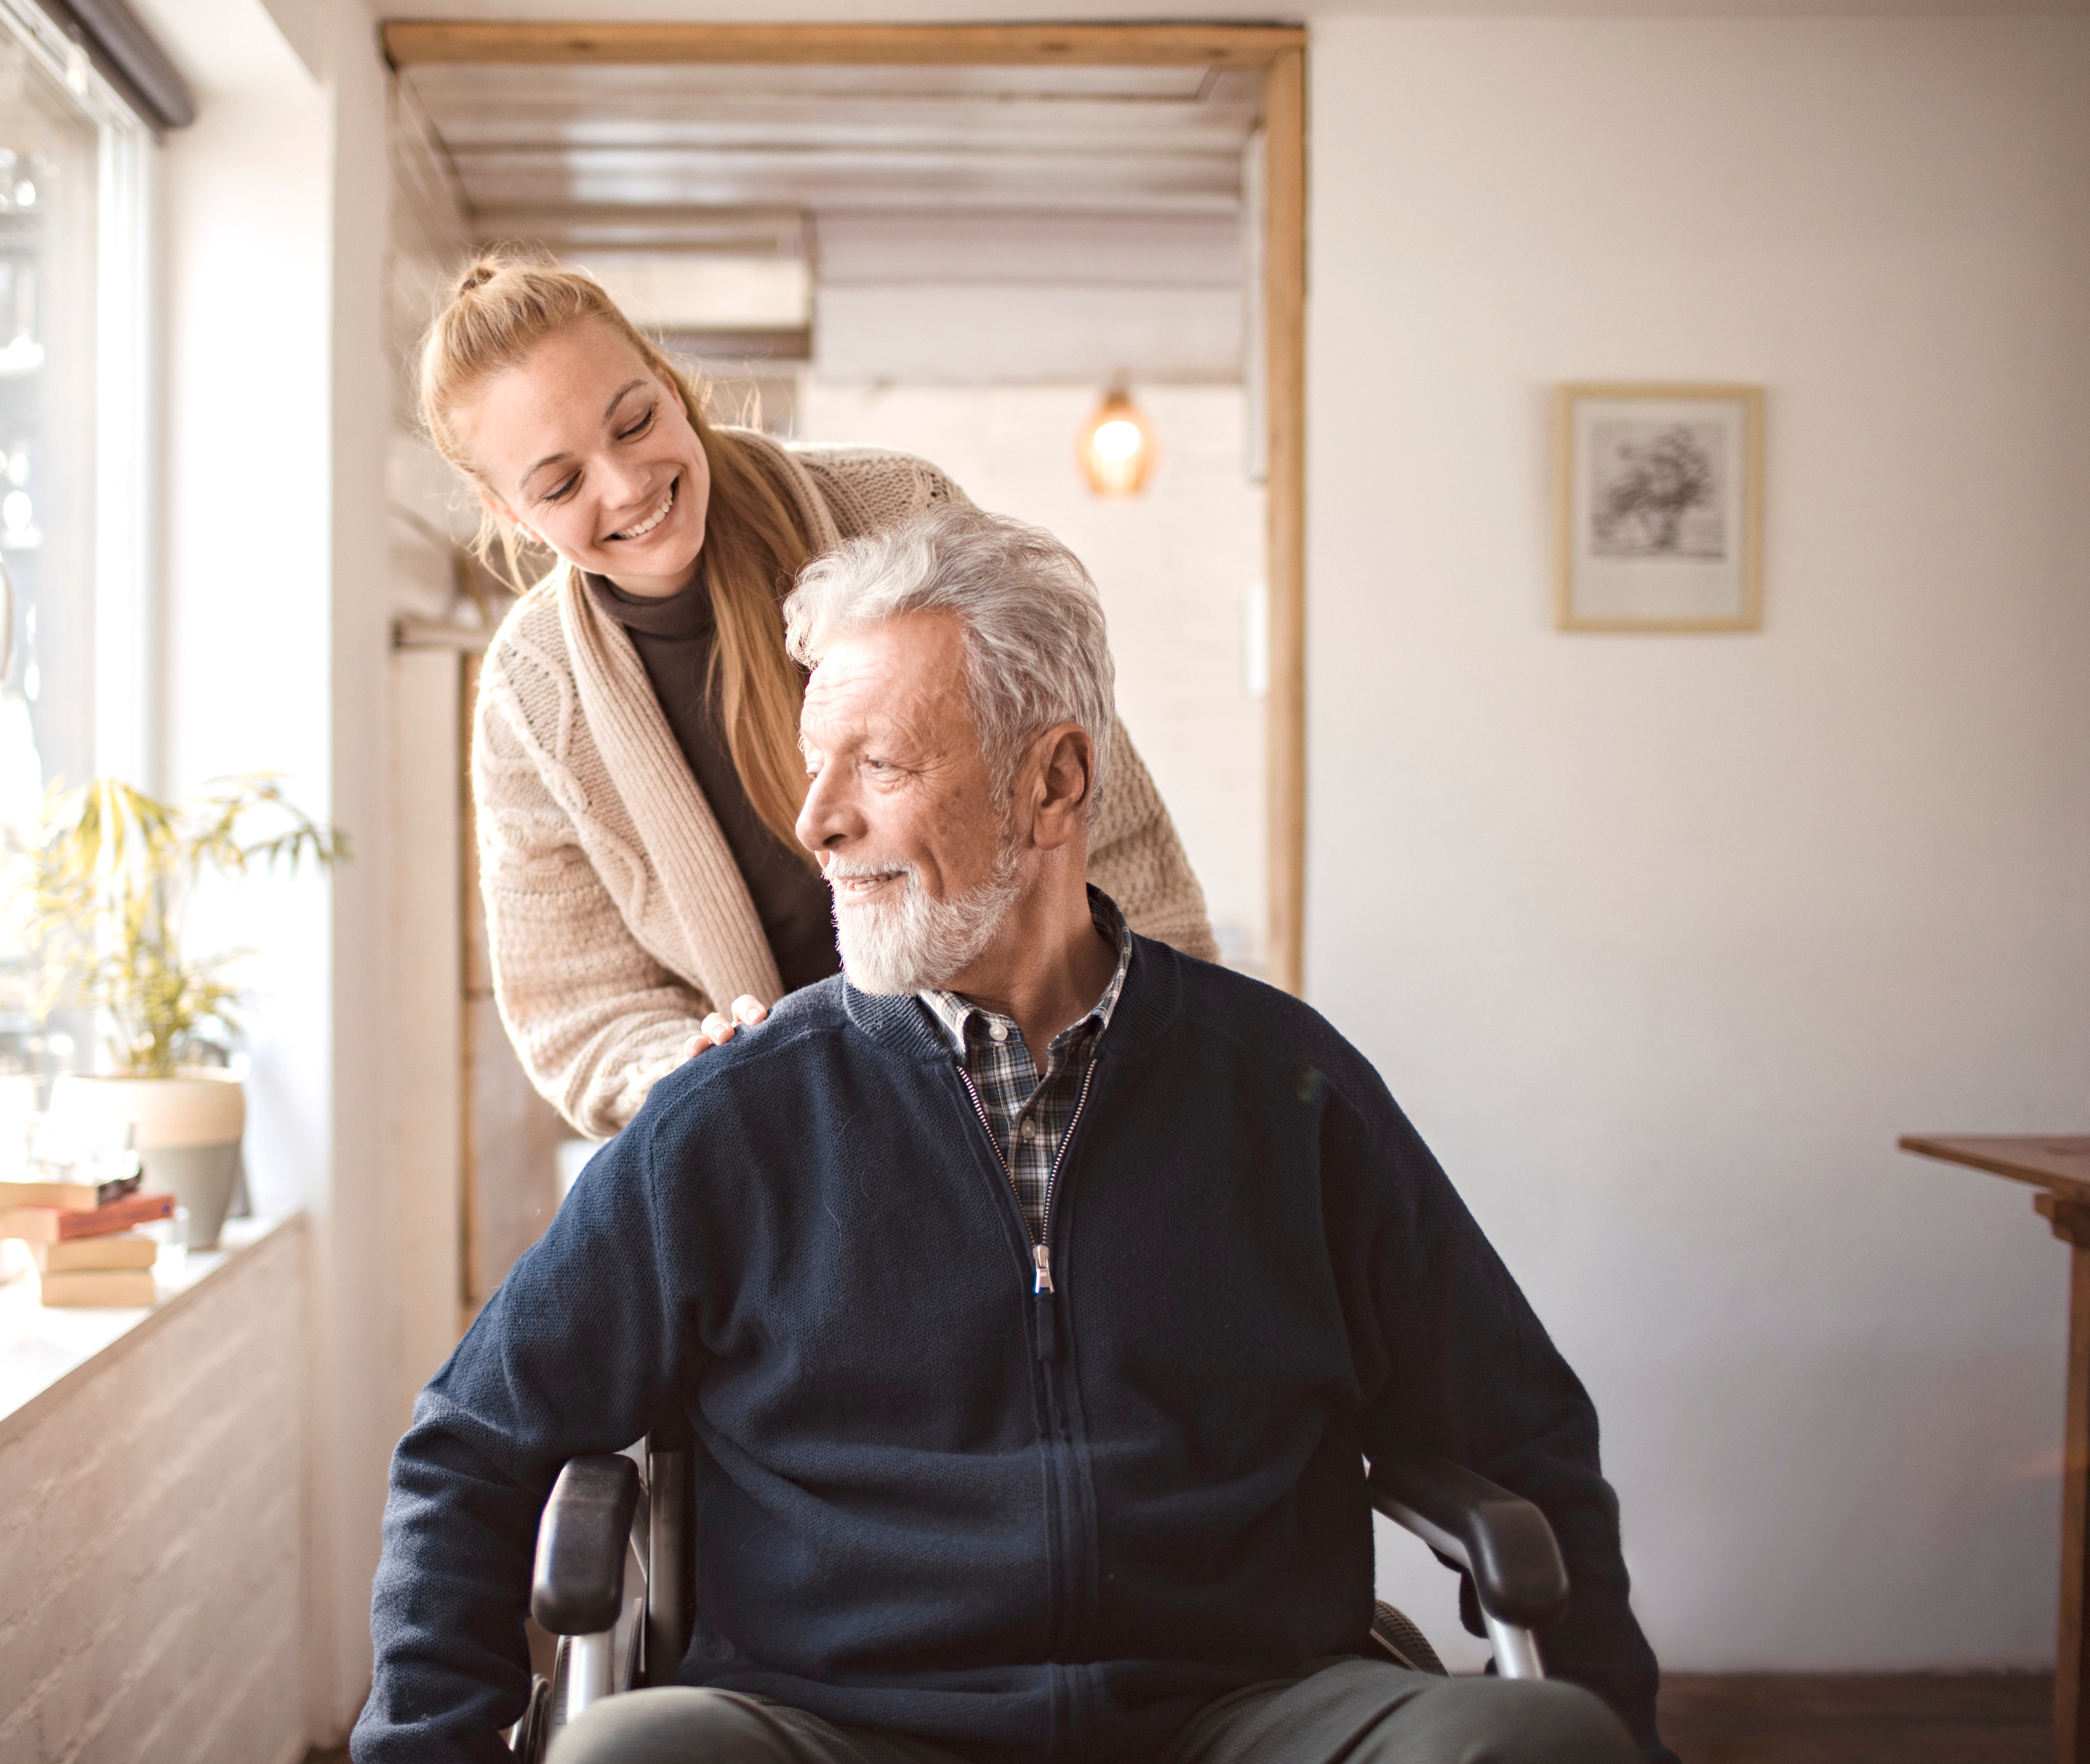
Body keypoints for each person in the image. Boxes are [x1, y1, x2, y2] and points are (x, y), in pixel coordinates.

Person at [355, 506, 1675, 1764]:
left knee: (1538, 1744)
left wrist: (1618, 1719)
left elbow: (1520, 1433)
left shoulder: (1285, 1090)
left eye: (875, 765)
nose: (815, 820)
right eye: (813, 768)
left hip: (1243, 1710)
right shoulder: (737, 1116)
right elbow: (471, 1445)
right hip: (831, 1719)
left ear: (1052, 781)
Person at [420, 256, 1216, 1138]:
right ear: (508, 511)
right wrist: (683, 1064)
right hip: (797, 1148)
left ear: (668, 378)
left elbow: (1100, 816)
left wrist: (1175, 1050)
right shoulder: (529, 699)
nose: (626, 484)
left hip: (1043, 1082)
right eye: (561, 484)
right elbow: (580, 1009)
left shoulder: (900, 509)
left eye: (636, 421)